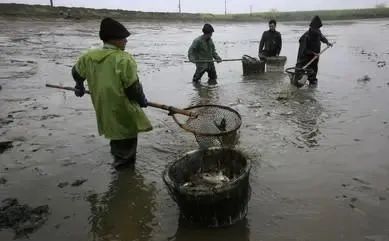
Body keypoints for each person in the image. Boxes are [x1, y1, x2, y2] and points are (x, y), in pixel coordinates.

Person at [71, 17, 152, 169]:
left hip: (103, 106)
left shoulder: (88, 56)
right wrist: (142, 100)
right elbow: (133, 88)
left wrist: (79, 85)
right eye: (123, 38)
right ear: (114, 40)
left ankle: (118, 159)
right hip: (122, 108)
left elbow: (76, 72)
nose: (126, 41)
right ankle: (124, 177)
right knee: (126, 138)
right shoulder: (123, 59)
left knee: (115, 133)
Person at [295, 16, 333, 86]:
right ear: (312, 27)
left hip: (315, 58)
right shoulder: (305, 37)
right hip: (305, 59)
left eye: (318, 28)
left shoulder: (317, 32)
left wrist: (327, 42)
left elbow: (322, 37)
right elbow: (303, 50)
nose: (318, 30)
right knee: (302, 75)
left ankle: (312, 86)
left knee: (313, 74)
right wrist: (313, 53)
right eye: (317, 28)